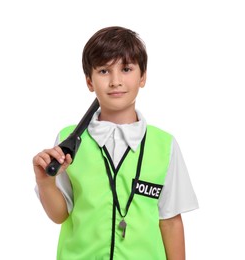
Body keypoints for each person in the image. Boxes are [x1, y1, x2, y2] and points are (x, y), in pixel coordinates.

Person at [33, 26, 199, 260]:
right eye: (103, 71)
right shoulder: (68, 141)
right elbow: (60, 215)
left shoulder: (164, 146)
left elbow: (170, 222)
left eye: (126, 69)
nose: (115, 81)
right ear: (89, 81)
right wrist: (45, 183)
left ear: (143, 77)